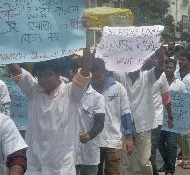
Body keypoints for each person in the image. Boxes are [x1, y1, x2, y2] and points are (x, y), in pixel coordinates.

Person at [7, 27, 92, 174]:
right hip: (35, 167)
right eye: (40, 75)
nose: (43, 79)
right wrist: (4, 39)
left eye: (48, 74)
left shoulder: (71, 92)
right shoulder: (33, 90)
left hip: (62, 169)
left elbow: (85, 71)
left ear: (58, 74)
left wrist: (87, 36)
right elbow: (15, 69)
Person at [116, 45, 165, 175]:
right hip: (125, 125)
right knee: (125, 162)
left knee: (143, 161)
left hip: (143, 124)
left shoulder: (148, 76)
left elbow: (160, 66)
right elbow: (107, 66)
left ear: (141, 63)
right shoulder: (120, 76)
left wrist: (160, 47)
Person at [89, 58, 133, 175]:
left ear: (105, 72)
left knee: (112, 172)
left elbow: (125, 113)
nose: (96, 81)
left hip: (113, 140)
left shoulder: (118, 88)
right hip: (93, 141)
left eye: (99, 77)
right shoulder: (88, 89)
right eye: (94, 78)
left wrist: (129, 138)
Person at [142, 56, 172, 175]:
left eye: (153, 57)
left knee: (151, 151)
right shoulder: (136, 73)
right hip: (139, 120)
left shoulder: (161, 75)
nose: (150, 59)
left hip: (155, 119)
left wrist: (170, 116)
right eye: (147, 56)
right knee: (140, 153)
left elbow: (166, 97)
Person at [158, 58, 187, 175]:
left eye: (171, 67)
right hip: (158, 118)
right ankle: (167, 163)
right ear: (163, 68)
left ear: (175, 69)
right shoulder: (158, 82)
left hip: (173, 119)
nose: (168, 69)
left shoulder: (180, 84)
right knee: (159, 143)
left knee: (171, 145)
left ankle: (170, 170)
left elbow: (184, 102)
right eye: (166, 67)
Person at [75, 82, 106, 175]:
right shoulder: (68, 93)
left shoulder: (98, 97)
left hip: (90, 151)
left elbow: (100, 123)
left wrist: (89, 135)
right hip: (70, 151)